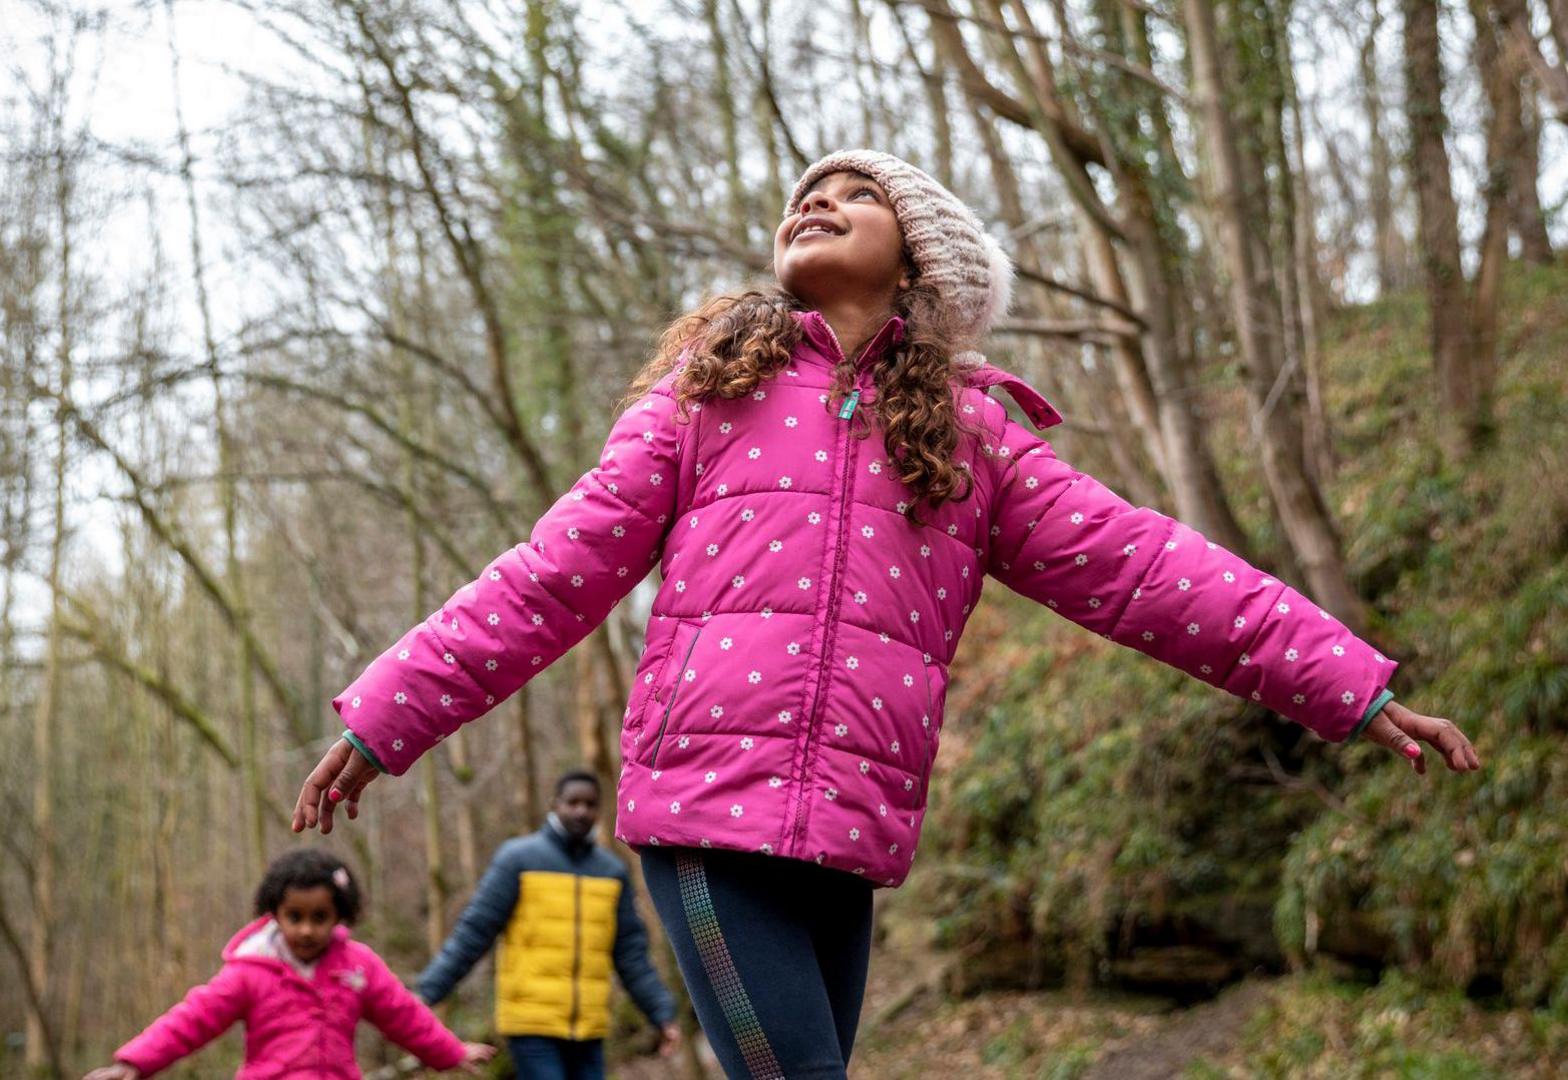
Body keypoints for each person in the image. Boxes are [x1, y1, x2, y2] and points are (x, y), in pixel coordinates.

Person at [293, 149, 1482, 1078]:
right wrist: (384, 717)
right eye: (805, 195)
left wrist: (1347, 683)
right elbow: (550, 574)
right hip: (706, 815)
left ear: (916, 260)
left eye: (854, 196)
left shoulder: (975, 442)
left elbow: (1151, 574)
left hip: (848, 839)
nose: (814, 203)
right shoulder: (705, 398)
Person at [83, 849, 494, 1080]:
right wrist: (134, 1063)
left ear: (340, 917)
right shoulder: (249, 971)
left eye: (319, 918)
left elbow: (403, 1015)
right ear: (274, 913)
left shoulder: (357, 966)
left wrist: (450, 1051)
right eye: (295, 917)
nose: (306, 930)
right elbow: (192, 1020)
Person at [411, 769, 681, 1079]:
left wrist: (662, 1013)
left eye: (590, 804)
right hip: (531, 1023)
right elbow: (473, 933)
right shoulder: (518, 859)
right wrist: (425, 993)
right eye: (573, 802)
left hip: (589, 1028)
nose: (581, 811)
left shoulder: (611, 871)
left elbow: (631, 954)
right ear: (555, 805)